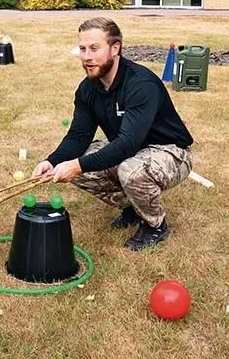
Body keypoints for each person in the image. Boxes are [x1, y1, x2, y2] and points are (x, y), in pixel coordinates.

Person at [32, 18, 194, 251]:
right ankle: (132, 207)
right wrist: (52, 161)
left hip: (170, 152)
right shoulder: (88, 88)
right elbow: (78, 136)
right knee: (75, 163)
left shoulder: (140, 83)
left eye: (94, 48)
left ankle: (155, 225)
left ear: (115, 48)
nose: (86, 56)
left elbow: (127, 144)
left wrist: (77, 165)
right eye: (82, 49)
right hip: (132, 150)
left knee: (129, 169)